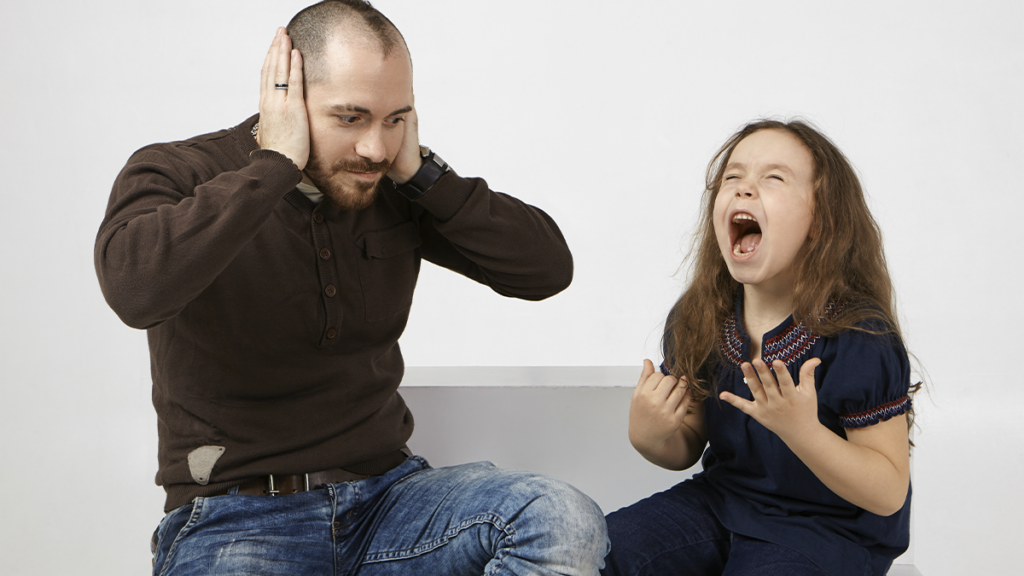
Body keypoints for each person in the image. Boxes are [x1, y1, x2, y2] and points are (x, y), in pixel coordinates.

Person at [94, 1, 607, 574]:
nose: (376, 148)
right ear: (285, 95)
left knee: (560, 519)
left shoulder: (389, 184)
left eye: (395, 118)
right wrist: (274, 166)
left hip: (391, 500)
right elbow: (134, 290)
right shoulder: (178, 172)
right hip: (234, 520)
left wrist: (424, 176)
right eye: (351, 118)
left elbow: (545, 271)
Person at [601, 120, 916, 576]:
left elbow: (887, 491)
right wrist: (649, 436)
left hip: (828, 531)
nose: (745, 190)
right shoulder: (699, 314)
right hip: (724, 503)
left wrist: (802, 431)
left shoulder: (859, 333)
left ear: (820, 221)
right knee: (596, 552)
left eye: (773, 178)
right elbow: (688, 445)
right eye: (733, 178)